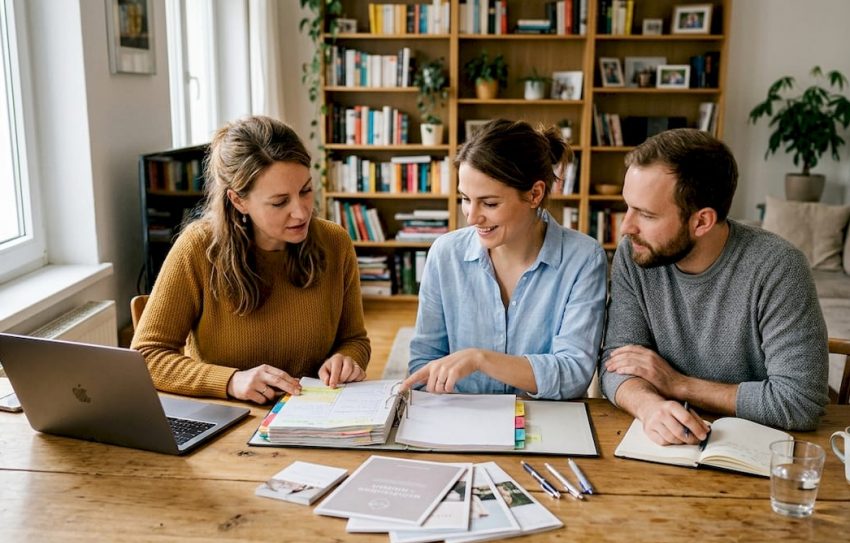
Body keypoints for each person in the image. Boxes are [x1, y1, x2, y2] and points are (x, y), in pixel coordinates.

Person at [600, 128, 829, 445]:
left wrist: (679, 385)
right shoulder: (636, 253)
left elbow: (800, 402)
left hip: (758, 450)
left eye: (646, 214)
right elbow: (617, 362)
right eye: (628, 206)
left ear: (702, 221)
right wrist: (650, 407)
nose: (626, 227)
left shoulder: (778, 267)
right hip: (667, 447)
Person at [132, 115, 370, 403]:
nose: (302, 212)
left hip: (312, 418)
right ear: (238, 201)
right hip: (227, 423)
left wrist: (347, 359)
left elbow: (355, 339)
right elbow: (147, 356)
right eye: (280, 202)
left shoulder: (335, 243)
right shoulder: (197, 248)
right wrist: (232, 381)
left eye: (305, 191)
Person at [402, 119, 607, 399]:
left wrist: (480, 359)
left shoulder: (584, 259)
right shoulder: (445, 254)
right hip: (460, 421)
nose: (471, 217)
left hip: (547, 425)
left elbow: (573, 374)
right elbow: (424, 365)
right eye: (465, 198)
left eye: (489, 203)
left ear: (535, 194)